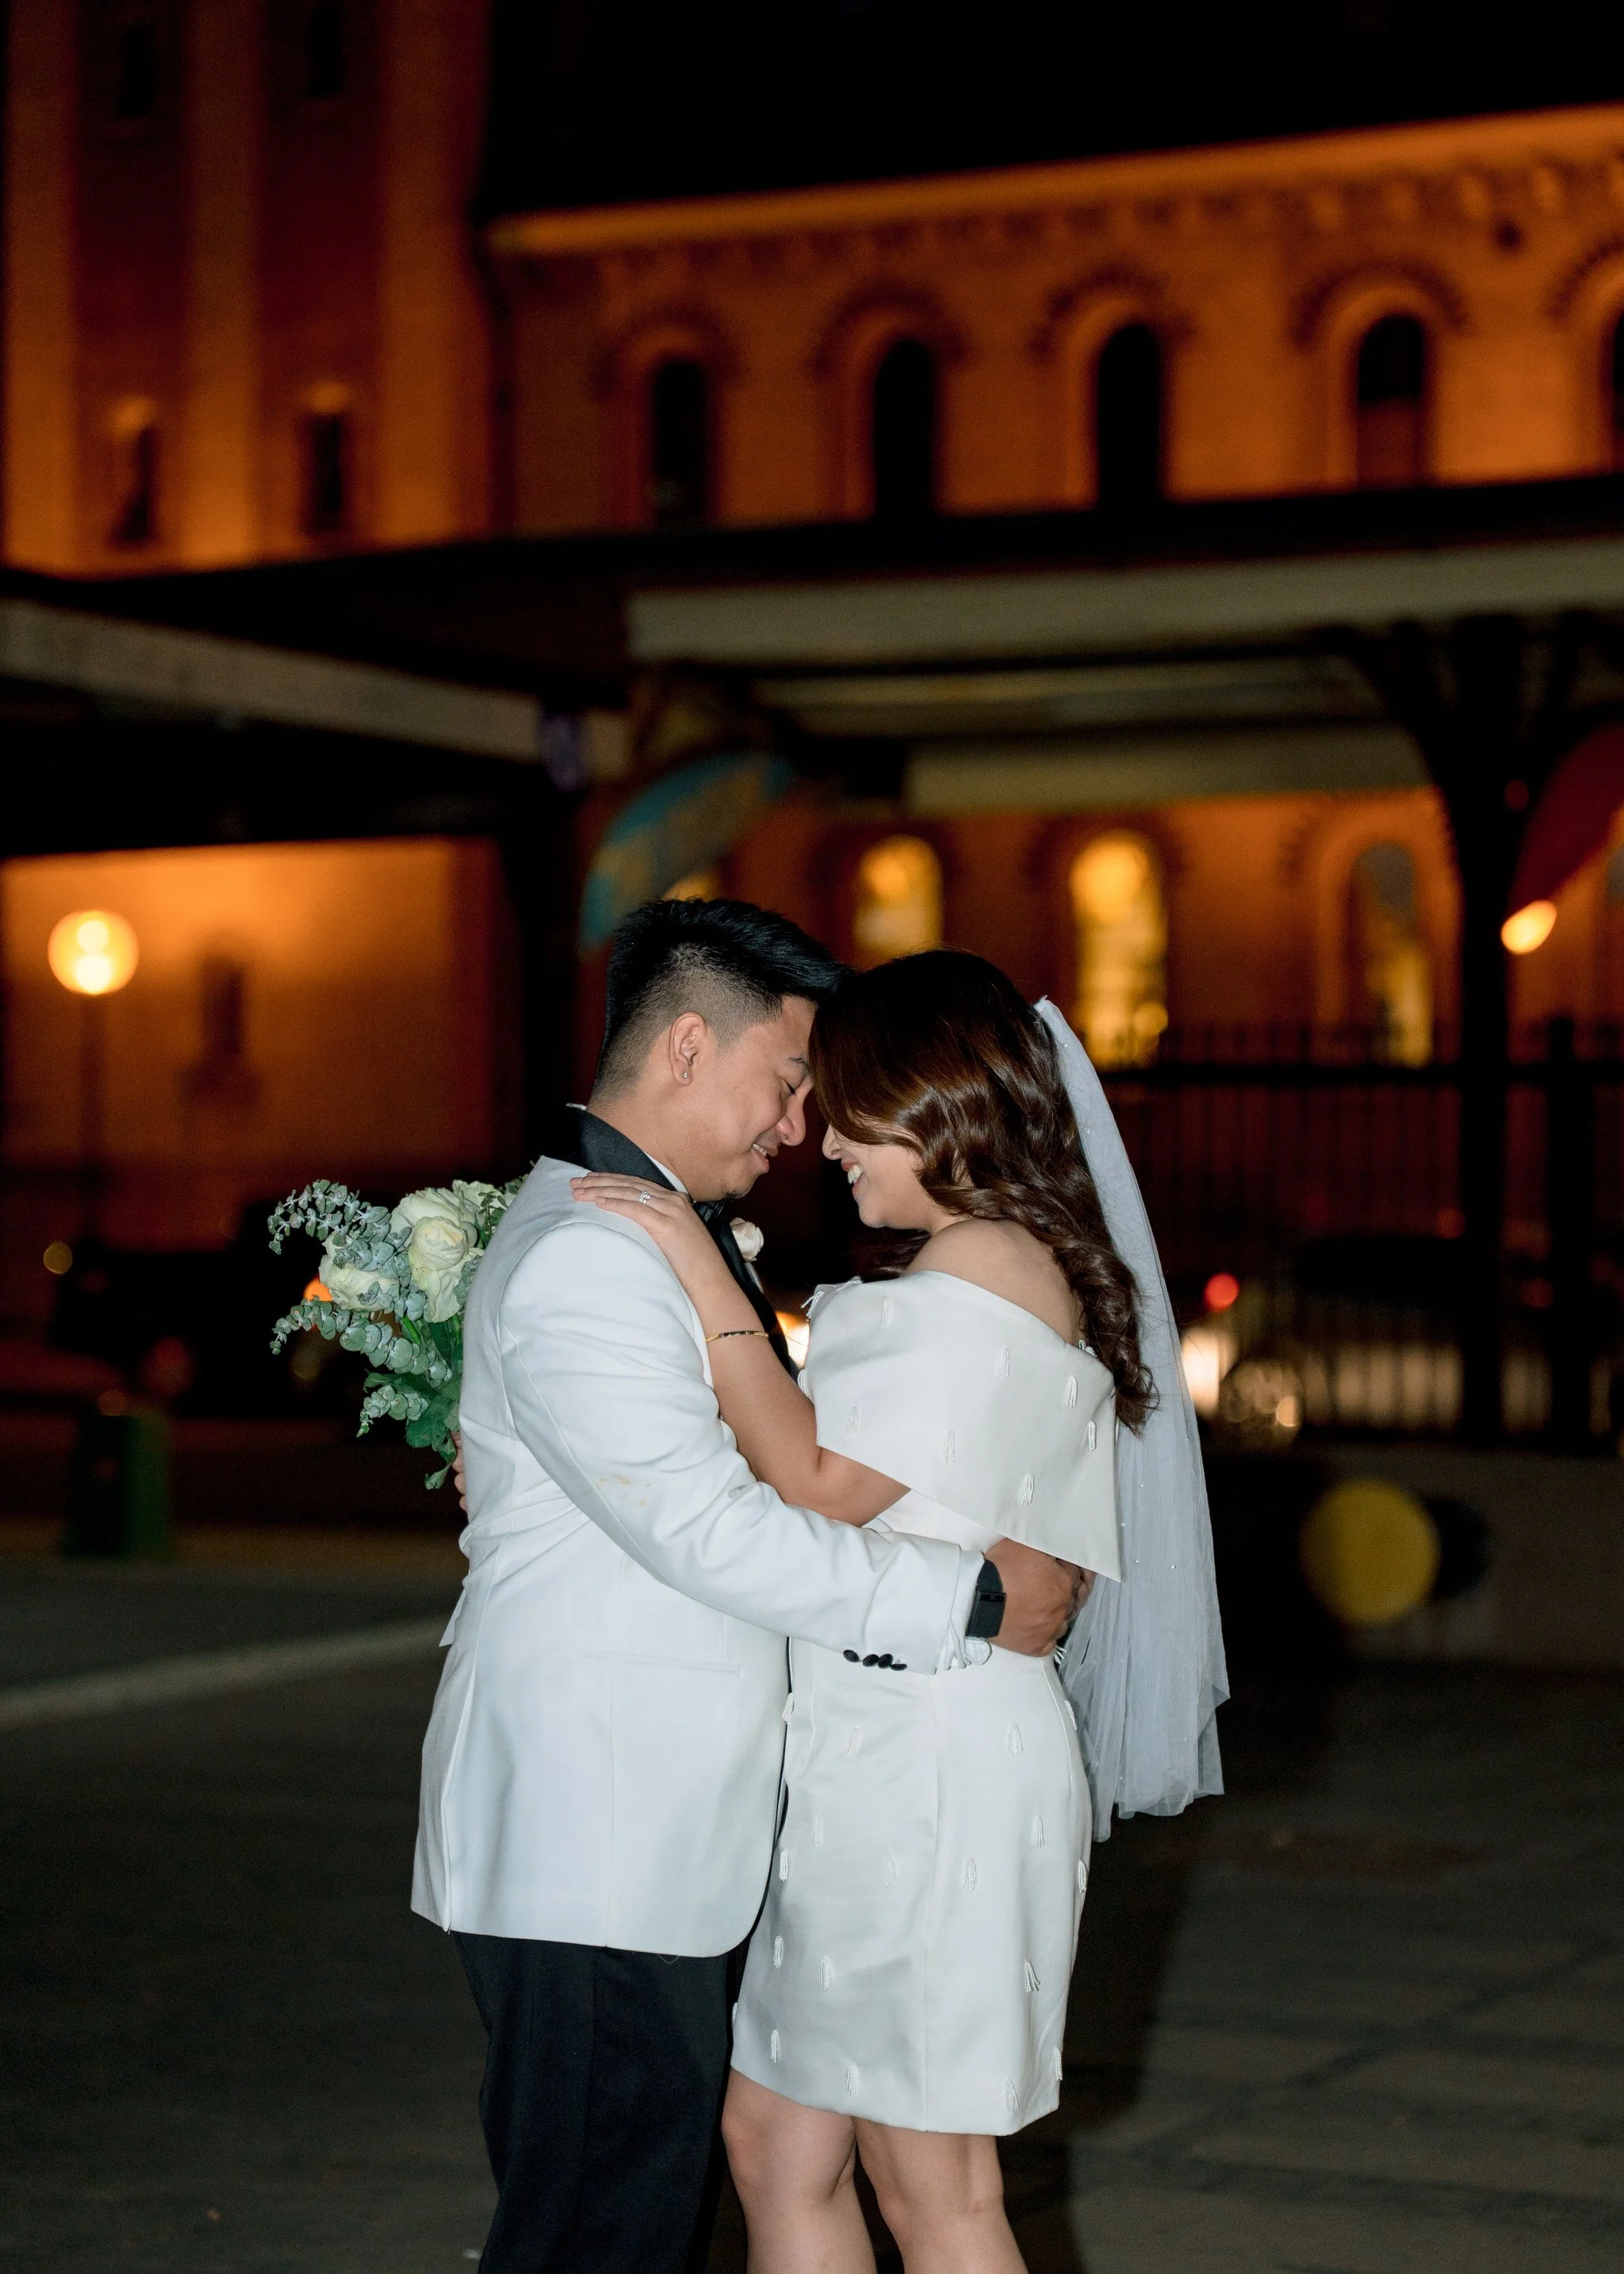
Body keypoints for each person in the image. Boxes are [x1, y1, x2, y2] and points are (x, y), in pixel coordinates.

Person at [412, 900, 1084, 2274]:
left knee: (639, 2209)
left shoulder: (633, 1234)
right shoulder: (593, 1254)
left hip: (650, 1827)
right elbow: (714, 1532)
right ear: (687, 1045)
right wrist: (968, 1602)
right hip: (599, 1832)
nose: (799, 1126)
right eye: (786, 1081)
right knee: (602, 2230)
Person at [576, 948, 1224, 2274]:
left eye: (848, 1107)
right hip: (879, 1750)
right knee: (776, 2142)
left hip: (930, 1765)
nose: (822, 1141)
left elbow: (818, 1481)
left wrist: (699, 1264)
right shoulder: (984, 1259)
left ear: (934, 1098)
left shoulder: (982, 1261)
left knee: (934, 2186)